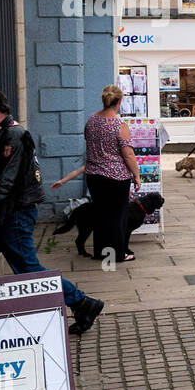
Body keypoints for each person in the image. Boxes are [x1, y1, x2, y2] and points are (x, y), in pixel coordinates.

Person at [0, 87, 105, 335]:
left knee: (29, 270)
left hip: (13, 215)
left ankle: (82, 302)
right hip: (4, 214)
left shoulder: (14, 135)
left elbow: (7, 182)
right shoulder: (2, 134)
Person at [76, 85, 141, 263]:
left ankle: (102, 253)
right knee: (117, 217)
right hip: (116, 178)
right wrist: (136, 174)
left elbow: (87, 138)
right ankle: (117, 254)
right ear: (119, 101)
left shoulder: (91, 120)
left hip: (94, 176)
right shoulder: (120, 126)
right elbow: (128, 154)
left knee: (101, 214)